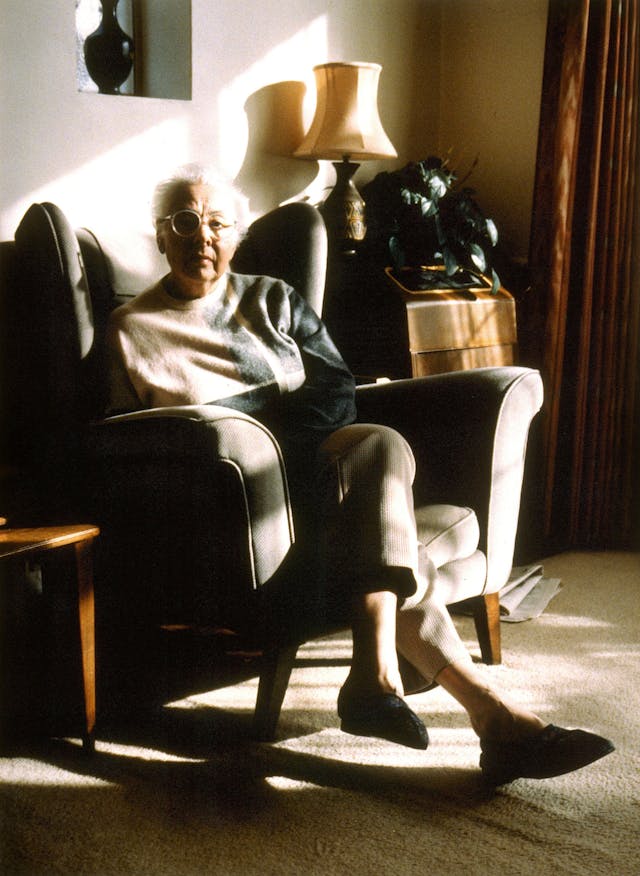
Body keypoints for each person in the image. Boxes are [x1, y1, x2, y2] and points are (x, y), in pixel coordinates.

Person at [106, 163, 614, 785]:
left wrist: (287, 447)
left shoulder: (274, 298)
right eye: (186, 222)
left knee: (377, 443)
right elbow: (123, 443)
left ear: (236, 236)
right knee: (391, 514)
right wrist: (250, 448)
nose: (203, 236)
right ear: (162, 234)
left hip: (319, 476)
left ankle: (396, 683)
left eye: (218, 223)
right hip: (234, 511)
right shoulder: (130, 330)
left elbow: (335, 389)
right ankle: (488, 714)